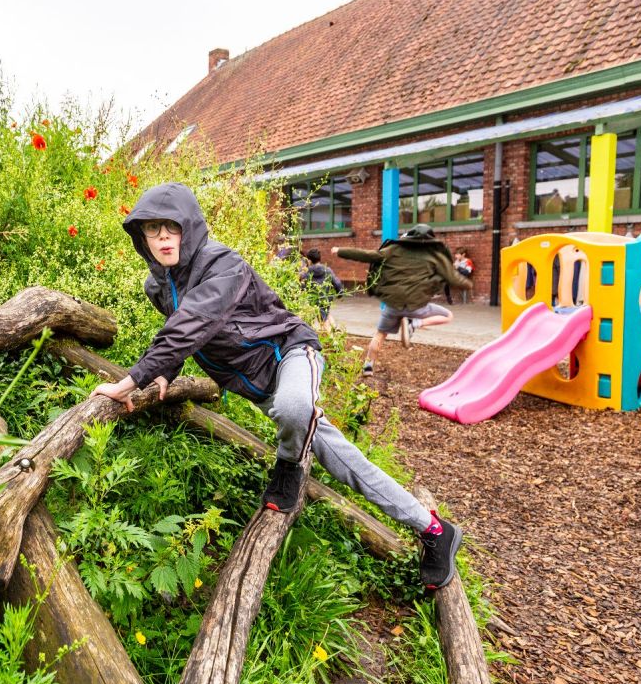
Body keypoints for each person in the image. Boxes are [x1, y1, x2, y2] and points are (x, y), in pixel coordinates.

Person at [91, 183, 462, 590]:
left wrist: (131, 381)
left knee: (293, 409)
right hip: (254, 382)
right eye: (152, 228)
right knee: (333, 449)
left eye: (171, 226)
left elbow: (194, 319)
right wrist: (167, 370)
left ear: (190, 227)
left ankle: (288, 465)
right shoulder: (157, 286)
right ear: (141, 236)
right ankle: (434, 530)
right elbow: (183, 332)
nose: (162, 236)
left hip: (291, 354)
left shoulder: (223, 264)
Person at [333, 224, 473, 375]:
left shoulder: (394, 250)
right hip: (416, 304)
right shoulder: (434, 256)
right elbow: (453, 278)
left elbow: (368, 255)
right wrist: (468, 284)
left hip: (393, 304)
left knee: (380, 334)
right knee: (447, 316)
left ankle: (368, 366)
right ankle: (414, 323)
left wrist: (340, 251)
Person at [299, 248, 344, 331]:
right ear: (319, 259)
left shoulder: (306, 272)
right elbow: (337, 282)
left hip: (313, 300)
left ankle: (330, 336)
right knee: (325, 313)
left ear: (309, 260)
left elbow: (302, 286)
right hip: (326, 298)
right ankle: (335, 328)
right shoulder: (327, 270)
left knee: (323, 320)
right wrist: (340, 293)